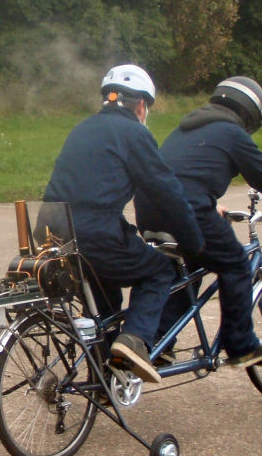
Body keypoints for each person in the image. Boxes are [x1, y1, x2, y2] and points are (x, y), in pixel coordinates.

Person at [43, 64, 204, 384]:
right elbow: (167, 193)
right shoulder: (135, 133)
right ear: (141, 105)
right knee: (160, 270)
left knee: (106, 305)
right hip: (96, 235)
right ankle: (134, 342)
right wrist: (194, 241)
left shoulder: (82, 128)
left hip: (53, 234)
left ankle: (105, 382)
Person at [136, 76, 262, 368]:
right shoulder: (232, 133)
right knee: (236, 262)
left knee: (189, 264)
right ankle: (241, 345)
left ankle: (159, 341)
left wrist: (209, 204)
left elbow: (183, 173)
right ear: (251, 112)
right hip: (185, 209)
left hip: (149, 208)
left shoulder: (186, 128)